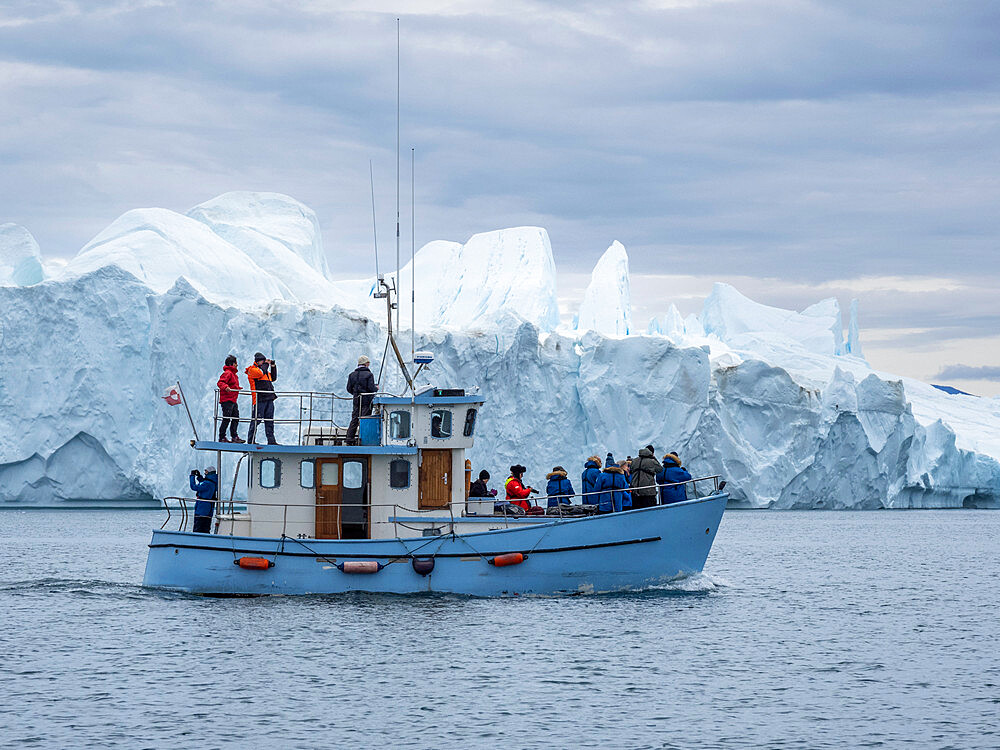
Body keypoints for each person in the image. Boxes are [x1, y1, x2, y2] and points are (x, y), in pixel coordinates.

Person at [245, 353, 278, 445]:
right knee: (256, 420)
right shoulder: (252, 370)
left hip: (269, 398)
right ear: (258, 361)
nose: (264, 362)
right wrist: (266, 365)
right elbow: (260, 373)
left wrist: (273, 366)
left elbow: (273, 378)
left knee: (269, 420)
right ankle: (251, 440)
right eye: (262, 361)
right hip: (259, 399)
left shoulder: (265, 371)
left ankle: (271, 441)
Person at [346, 355, 377, 444]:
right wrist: (376, 388)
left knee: (354, 419)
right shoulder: (369, 375)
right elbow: (371, 388)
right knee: (365, 419)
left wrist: (355, 394)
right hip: (366, 401)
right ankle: (363, 438)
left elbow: (348, 388)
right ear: (366, 363)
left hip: (356, 400)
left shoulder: (351, 375)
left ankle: (349, 438)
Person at [216, 355, 245, 443]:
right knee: (227, 418)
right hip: (227, 400)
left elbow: (232, 384)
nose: (237, 365)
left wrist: (237, 388)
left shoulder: (233, 374)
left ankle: (234, 436)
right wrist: (226, 387)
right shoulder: (228, 373)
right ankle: (222, 437)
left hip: (232, 399)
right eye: (236, 363)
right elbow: (220, 382)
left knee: (235, 418)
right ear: (232, 364)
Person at [629, 444, 661, 509]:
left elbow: (631, 470)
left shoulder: (634, 461)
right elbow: (660, 469)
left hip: (636, 491)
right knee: (650, 512)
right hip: (648, 492)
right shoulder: (652, 461)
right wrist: (653, 458)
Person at [189, 466, 218, 533]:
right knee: (205, 527)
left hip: (202, 508)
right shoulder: (213, 482)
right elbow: (205, 483)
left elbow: (194, 487)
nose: (205, 473)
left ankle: (196, 540)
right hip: (208, 508)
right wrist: (199, 476)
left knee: (198, 527)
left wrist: (192, 476)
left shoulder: (207, 484)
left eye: (206, 471)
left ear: (210, 473)